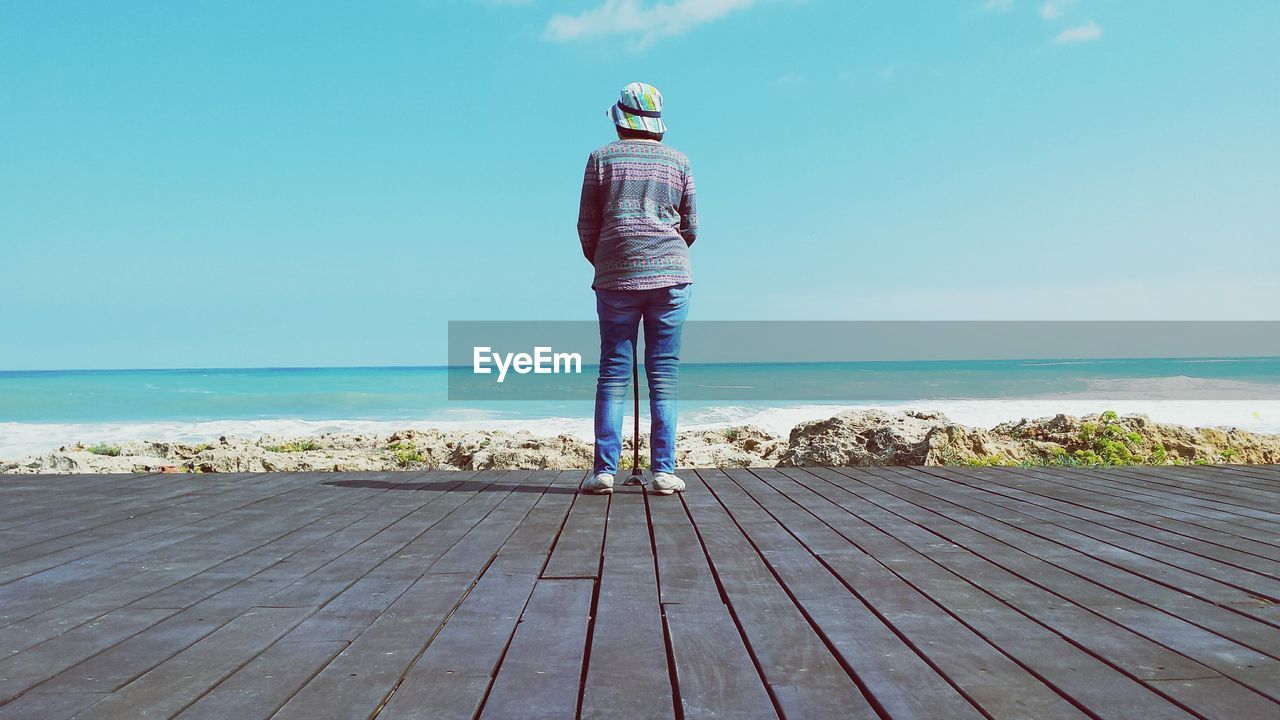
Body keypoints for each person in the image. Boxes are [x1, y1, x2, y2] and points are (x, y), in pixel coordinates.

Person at [577, 82, 697, 496]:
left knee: (612, 373)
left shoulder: (600, 158)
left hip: (615, 276)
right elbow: (691, 225)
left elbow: (587, 223)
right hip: (671, 275)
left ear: (620, 119)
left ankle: (604, 472)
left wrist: (608, 260)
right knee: (663, 376)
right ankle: (664, 471)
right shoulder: (678, 161)